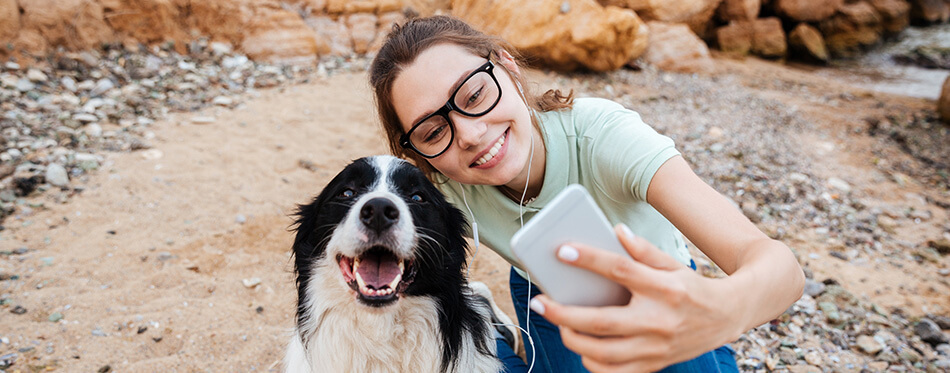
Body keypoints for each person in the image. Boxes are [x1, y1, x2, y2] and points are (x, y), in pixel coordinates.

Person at [369, 15, 804, 373]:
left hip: (659, 288)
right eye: (432, 131)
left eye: (475, 93)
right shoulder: (445, 179)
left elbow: (776, 264)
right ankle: (492, 330)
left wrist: (722, 309)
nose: (469, 134)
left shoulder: (604, 138)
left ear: (507, 65)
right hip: (540, 281)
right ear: (418, 152)